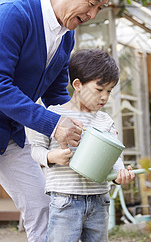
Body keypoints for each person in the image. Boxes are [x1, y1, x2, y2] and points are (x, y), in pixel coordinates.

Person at [0, 0, 117, 242]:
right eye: (92, 3)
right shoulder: (13, 14)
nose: (93, 15)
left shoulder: (66, 35)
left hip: (11, 132)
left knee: (43, 209)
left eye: (100, 8)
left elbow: (54, 93)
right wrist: (54, 125)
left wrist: (78, 123)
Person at [31, 48, 135, 242]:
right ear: (77, 85)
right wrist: (52, 157)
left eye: (109, 91)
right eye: (99, 89)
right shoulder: (53, 115)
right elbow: (35, 149)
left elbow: (114, 156)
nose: (104, 97)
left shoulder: (105, 120)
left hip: (99, 200)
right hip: (65, 200)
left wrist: (120, 175)